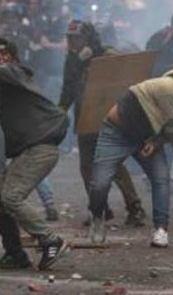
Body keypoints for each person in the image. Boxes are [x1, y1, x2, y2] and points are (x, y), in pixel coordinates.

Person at [0, 39, 69, 270]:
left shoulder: (16, 72)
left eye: (5, 54)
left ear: (14, 57)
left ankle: (49, 239)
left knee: (11, 197)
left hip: (41, 149)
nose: (0, 58)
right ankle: (15, 254)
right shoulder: (1, 84)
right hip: (27, 152)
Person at [88, 58, 173, 248]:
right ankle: (97, 218)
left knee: (161, 179)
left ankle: (161, 229)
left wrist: (156, 141)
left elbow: (166, 125)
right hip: (116, 133)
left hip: (145, 139)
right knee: (100, 184)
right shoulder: (169, 87)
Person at [59, 20, 146, 227]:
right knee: (87, 167)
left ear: (88, 38)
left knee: (113, 164)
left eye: (76, 38)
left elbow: (126, 74)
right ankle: (99, 209)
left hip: (109, 118)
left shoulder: (106, 55)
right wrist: (60, 110)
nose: (72, 42)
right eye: (69, 38)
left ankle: (135, 208)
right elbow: (69, 87)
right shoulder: (72, 59)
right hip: (85, 117)